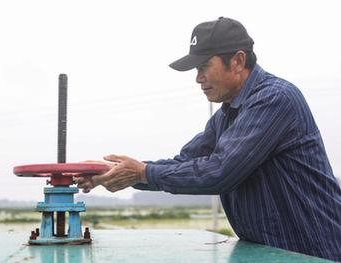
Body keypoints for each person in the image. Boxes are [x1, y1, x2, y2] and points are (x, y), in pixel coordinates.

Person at [74, 17, 341, 261]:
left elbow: (219, 171)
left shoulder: (275, 99)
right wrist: (109, 172)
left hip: (315, 251)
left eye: (204, 67)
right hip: (273, 253)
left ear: (237, 61)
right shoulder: (225, 116)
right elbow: (185, 162)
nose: (198, 78)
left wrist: (142, 172)